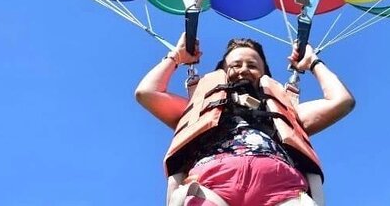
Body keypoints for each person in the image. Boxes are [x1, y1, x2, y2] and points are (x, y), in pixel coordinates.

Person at [135, 33, 355, 206]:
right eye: (236, 65)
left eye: (252, 65)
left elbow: (342, 100)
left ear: (264, 73)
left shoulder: (285, 111)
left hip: (281, 189)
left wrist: (312, 61)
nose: (244, 70)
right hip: (212, 185)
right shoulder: (199, 109)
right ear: (222, 71)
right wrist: (176, 56)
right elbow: (147, 93)